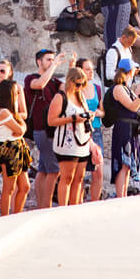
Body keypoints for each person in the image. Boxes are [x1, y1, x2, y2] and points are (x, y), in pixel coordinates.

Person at [46, 68, 92, 207]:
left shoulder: (80, 96)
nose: (80, 87)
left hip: (82, 142)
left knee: (79, 178)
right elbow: (51, 121)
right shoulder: (60, 97)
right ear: (70, 81)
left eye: (82, 84)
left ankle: (75, 207)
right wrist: (72, 119)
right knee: (67, 177)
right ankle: (63, 209)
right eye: (77, 84)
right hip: (66, 143)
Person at [24, 50, 63, 209]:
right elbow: (39, 84)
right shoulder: (31, 78)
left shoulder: (53, 81)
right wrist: (54, 66)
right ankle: (46, 207)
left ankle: (41, 205)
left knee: (44, 169)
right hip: (42, 129)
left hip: (52, 130)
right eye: (48, 60)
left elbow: (67, 88)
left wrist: (73, 67)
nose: (52, 62)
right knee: (54, 171)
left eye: (53, 59)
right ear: (39, 62)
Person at [0, 78, 32, 216]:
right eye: (16, 93)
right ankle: (5, 218)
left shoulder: (11, 111)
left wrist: (20, 126)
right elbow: (21, 130)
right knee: (9, 188)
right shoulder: (3, 112)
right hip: (9, 149)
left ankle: (17, 215)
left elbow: (22, 128)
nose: (18, 95)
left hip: (18, 146)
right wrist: (20, 126)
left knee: (25, 186)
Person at [110, 57, 140, 198]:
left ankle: (124, 195)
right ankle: (121, 195)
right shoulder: (119, 88)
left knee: (127, 165)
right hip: (123, 127)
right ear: (130, 70)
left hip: (129, 128)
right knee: (123, 163)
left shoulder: (126, 87)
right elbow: (133, 107)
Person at [77, 58, 105, 202]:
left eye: (92, 69)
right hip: (80, 132)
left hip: (96, 130)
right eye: (87, 69)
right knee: (80, 172)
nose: (91, 72)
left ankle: (94, 203)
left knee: (98, 171)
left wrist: (94, 113)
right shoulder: (75, 88)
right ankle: (79, 202)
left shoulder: (97, 88)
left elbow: (102, 111)